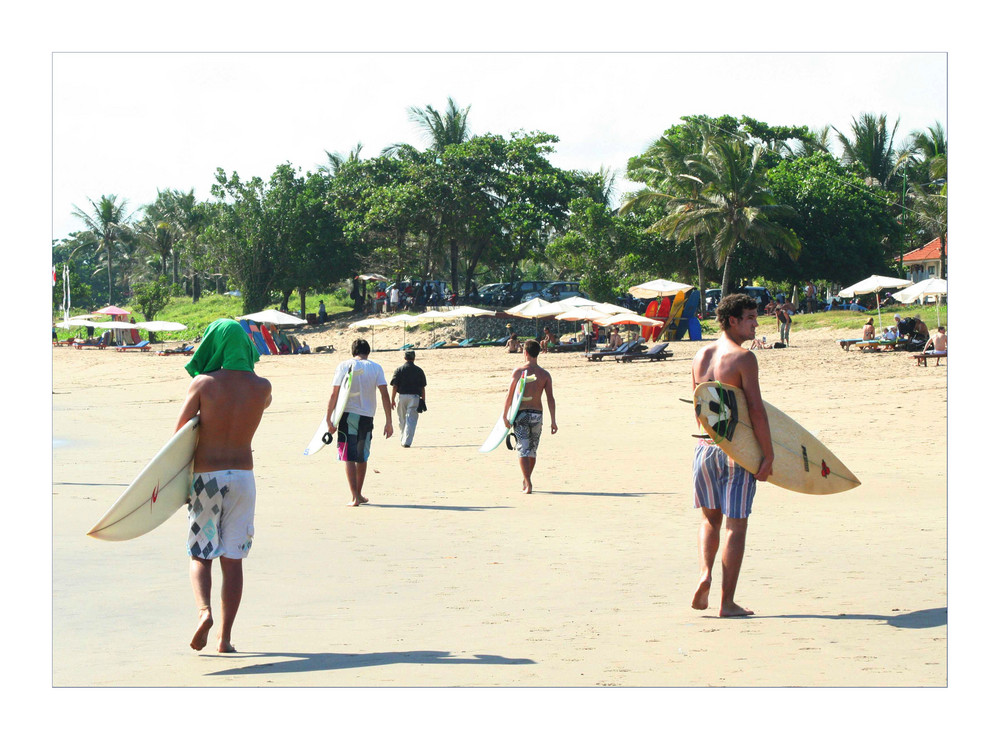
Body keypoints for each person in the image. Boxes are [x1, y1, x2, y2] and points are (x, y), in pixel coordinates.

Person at [175, 319, 272, 653]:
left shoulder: (203, 384)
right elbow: (261, 401)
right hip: (244, 478)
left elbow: (179, 436)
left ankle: (204, 613)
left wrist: (177, 486)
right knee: (234, 561)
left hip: (207, 478)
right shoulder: (263, 387)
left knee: (201, 554)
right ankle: (225, 639)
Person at [690, 293, 773, 618]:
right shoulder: (742, 358)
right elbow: (756, 410)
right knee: (735, 526)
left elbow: (699, 406)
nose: (756, 323)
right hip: (735, 450)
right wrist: (767, 455)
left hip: (703, 446)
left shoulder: (700, 355)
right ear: (733, 320)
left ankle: (704, 574)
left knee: (710, 519)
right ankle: (727, 602)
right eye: (750, 318)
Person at [327, 338, 393, 506]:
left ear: (353, 351)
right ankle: (359, 494)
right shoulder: (376, 368)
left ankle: (355, 496)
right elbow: (385, 394)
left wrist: (329, 419)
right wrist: (388, 421)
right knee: (362, 456)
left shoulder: (344, 366)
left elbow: (335, 394)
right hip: (367, 416)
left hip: (347, 415)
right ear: (367, 351)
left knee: (348, 456)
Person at [503, 339, 557, 495]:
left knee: (522, 449)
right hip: (537, 415)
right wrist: (553, 420)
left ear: (525, 352)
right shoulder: (545, 374)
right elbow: (550, 399)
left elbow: (510, 395)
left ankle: (528, 482)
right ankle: (527, 479)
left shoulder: (518, 371)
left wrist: (504, 416)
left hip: (521, 415)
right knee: (532, 450)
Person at [390, 350, 427, 448]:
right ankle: (406, 441)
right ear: (414, 358)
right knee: (411, 419)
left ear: (405, 358)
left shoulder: (399, 370)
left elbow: (395, 386)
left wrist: (392, 399)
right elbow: (423, 387)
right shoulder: (419, 370)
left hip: (401, 397)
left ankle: (403, 438)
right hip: (414, 397)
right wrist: (423, 400)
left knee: (402, 419)